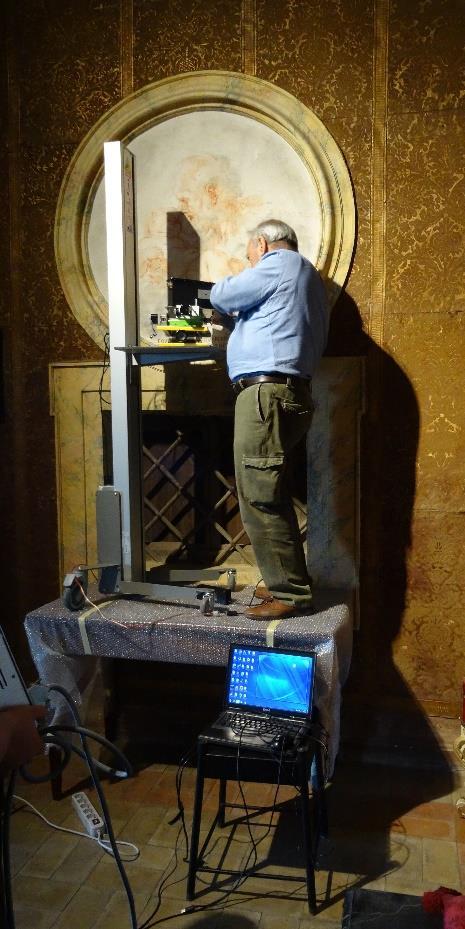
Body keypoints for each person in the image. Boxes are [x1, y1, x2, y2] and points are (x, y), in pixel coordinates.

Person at [210, 219, 329, 619]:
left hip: (265, 394)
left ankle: (291, 594)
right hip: (287, 393)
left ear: (261, 243)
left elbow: (224, 294)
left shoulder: (280, 263)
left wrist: (225, 300)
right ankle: (286, 582)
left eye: (250, 256)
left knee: (259, 496)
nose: (252, 263)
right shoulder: (305, 277)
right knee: (268, 492)